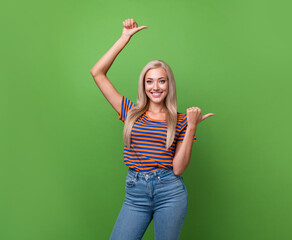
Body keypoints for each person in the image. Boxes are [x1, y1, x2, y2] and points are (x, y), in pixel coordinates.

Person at [90, 18, 214, 240]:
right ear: (143, 85)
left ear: (169, 85)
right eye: (150, 81)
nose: (155, 87)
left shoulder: (181, 120)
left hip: (170, 192)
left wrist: (192, 126)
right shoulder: (130, 111)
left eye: (161, 81)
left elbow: (178, 168)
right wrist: (123, 39)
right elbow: (97, 73)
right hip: (135, 192)